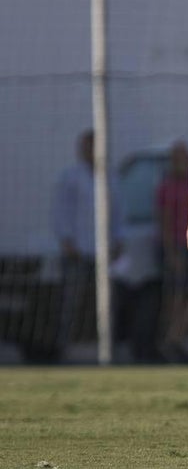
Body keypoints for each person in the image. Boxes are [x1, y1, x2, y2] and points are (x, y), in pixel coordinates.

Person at [51, 129, 121, 358]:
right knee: (72, 299)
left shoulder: (110, 176)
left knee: (105, 301)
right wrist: (67, 240)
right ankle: (64, 346)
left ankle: (106, 347)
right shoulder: (70, 177)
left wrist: (117, 241)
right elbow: (61, 211)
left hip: (103, 251)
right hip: (78, 250)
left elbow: (117, 212)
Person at [156, 140, 188, 362]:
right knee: (176, 298)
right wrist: (171, 254)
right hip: (175, 246)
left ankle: (176, 338)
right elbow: (164, 223)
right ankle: (171, 341)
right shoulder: (167, 187)